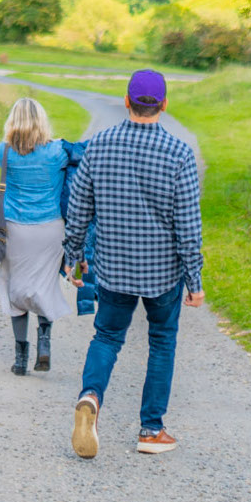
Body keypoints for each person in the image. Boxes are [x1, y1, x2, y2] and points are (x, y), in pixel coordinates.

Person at [63, 69, 204, 459]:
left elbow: (78, 211)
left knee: (107, 336)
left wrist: (73, 257)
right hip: (163, 275)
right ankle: (151, 430)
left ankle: (90, 397)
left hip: (113, 268)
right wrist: (195, 280)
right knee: (161, 342)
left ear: (126, 103)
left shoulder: (99, 146)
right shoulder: (179, 154)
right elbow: (188, 227)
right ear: (164, 105)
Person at [0, 97, 71, 375]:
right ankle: (45, 343)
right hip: (50, 228)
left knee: (15, 289)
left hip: (15, 228)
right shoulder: (56, 152)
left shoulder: (3, 151)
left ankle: (20, 356)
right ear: (41, 121)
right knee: (44, 285)